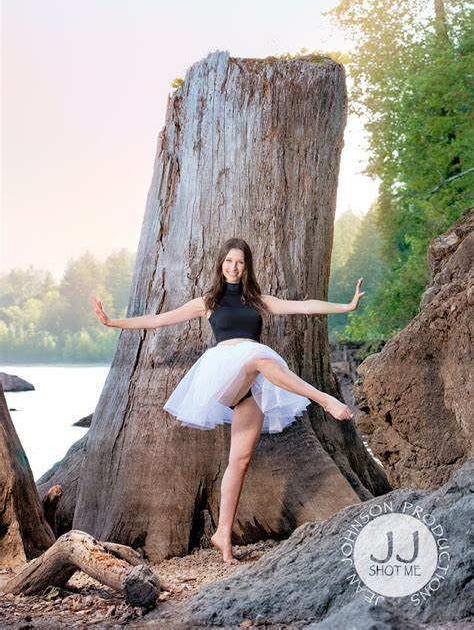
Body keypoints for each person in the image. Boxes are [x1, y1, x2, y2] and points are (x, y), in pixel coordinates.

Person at [91, 237, 365, 564]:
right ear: (221, 264)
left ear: (247, 267)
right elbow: (158, 320)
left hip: (252, 389)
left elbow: (304, 305)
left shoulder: (259, 301)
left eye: (240, 262)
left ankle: (222, 533)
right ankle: (325, 400)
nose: (233, 267)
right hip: (224, 378)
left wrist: (346, 307)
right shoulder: (208, 302)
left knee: (240, 461)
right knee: (260, 361)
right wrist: (112, 322)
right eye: (228, 261)